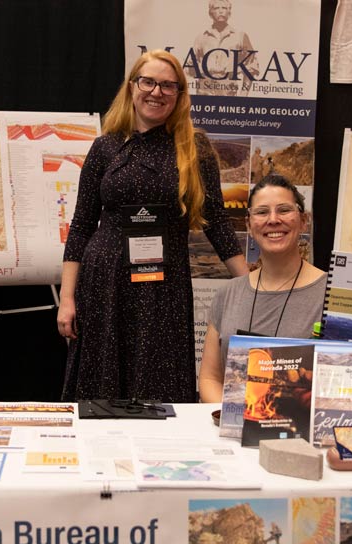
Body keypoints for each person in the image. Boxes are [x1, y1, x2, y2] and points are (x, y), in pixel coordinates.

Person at [58, 49, 248, 403]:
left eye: (167, 85)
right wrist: (67, 299)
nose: (156, 92)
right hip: (105, 283)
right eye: (148, 82)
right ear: (132, 87)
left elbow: (217, 222)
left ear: (179, 95)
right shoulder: (104, 148)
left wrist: (250, 286)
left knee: (159, 386)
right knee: (103, 387)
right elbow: (82, 225)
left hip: (163, 285)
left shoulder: (195, 148)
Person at [198, 174, 325, 402]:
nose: (273, 220)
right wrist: (232, 422)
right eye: (262, 212)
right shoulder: (227, 294)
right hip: (230, 432)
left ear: (304, 220)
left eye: (284, 210)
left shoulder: (329, 296)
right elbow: (210, 379)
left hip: (299, 433)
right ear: (249, 223)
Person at [188, 0, 259, 96]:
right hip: (204, 92)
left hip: (228, 92)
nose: (221, 11)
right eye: (216, 8)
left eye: (224, 8)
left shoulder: (240, 37)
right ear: (210, 13)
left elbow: (252, 67)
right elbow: (189, 67)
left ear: (229, 12)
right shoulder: (201, 37)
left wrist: (243, 95)